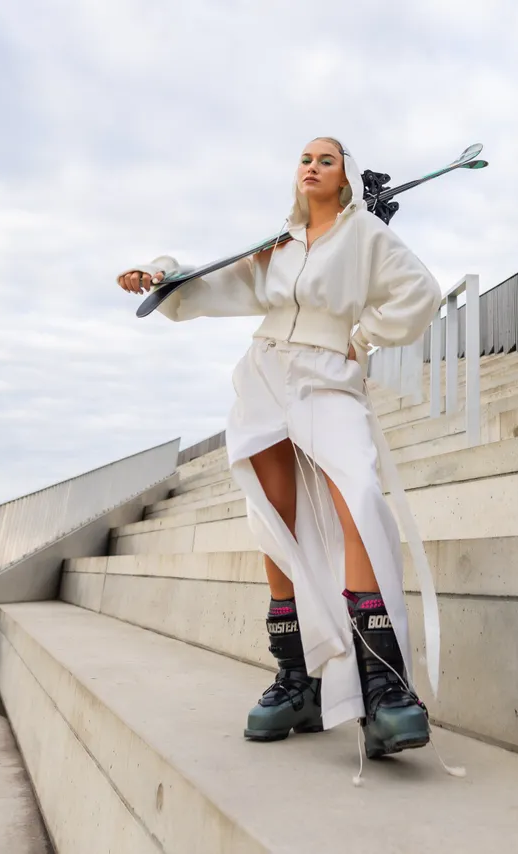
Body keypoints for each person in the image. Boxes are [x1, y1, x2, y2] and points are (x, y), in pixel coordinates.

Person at [117, 137, 446, 763]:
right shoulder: (277, 248)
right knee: (272, 519)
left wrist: (362, 336)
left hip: (327, 375)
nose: (313, 166)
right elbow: (208, 287)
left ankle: (384, 686)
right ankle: (296, 679)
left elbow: (420, 292)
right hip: (265, 374)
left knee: (359, 496)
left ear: (346, 176)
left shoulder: (367, 236)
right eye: (304, 158)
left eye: (327, 158)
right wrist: (160, 275)